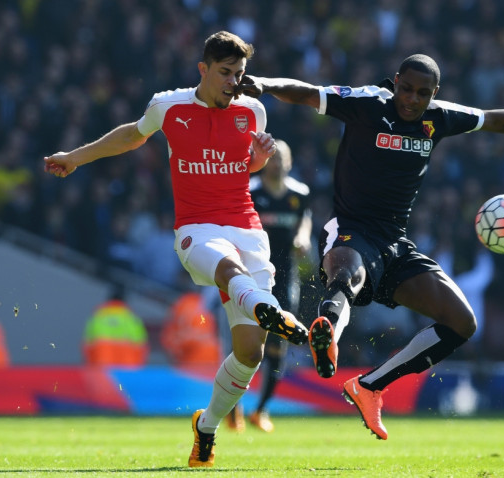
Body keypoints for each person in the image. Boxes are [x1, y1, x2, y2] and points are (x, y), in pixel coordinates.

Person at [238, 54, 504, 440]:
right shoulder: (367, 103)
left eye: (422, 94)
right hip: (350, 229)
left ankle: (370, 386)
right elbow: (309, 93)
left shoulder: (440, 117)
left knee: (462, 322)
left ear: (435, 94)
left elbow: (498, 119)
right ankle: (327, 330)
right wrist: (263, 83)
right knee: (347, 274)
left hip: (395, 243)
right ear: (395, 81)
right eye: (406, 89)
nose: (412, 99)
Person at [43, 31, 309, 468]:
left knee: (250, 353)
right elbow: (132, 135)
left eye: (240, 74)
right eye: (225, 73)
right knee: (226, 269)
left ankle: (206, 428)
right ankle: (274, 311)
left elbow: (244, 166)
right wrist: (74, 157)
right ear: (202, 69)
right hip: (197, 230)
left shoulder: (252, 110)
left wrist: (260, 158)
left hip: (246, 227)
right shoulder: (169, 105)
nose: (233, 83)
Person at [246, 139, 313, 432]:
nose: (276, 163)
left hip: (286, 278)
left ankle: (260, 410)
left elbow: (305, 220)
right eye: (271, 158)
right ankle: (234, 405)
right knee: (247, 343)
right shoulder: (249, 190)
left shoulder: (300, 194)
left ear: (289, 162)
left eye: (280, 157)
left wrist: (303, 237)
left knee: (278, 343)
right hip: (252, 276)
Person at [83, 287, 149, 366]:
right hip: (127, 369)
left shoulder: (97, 318)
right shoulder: (132, 319)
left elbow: (87, 346)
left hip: (102, 367)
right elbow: (141, 347)